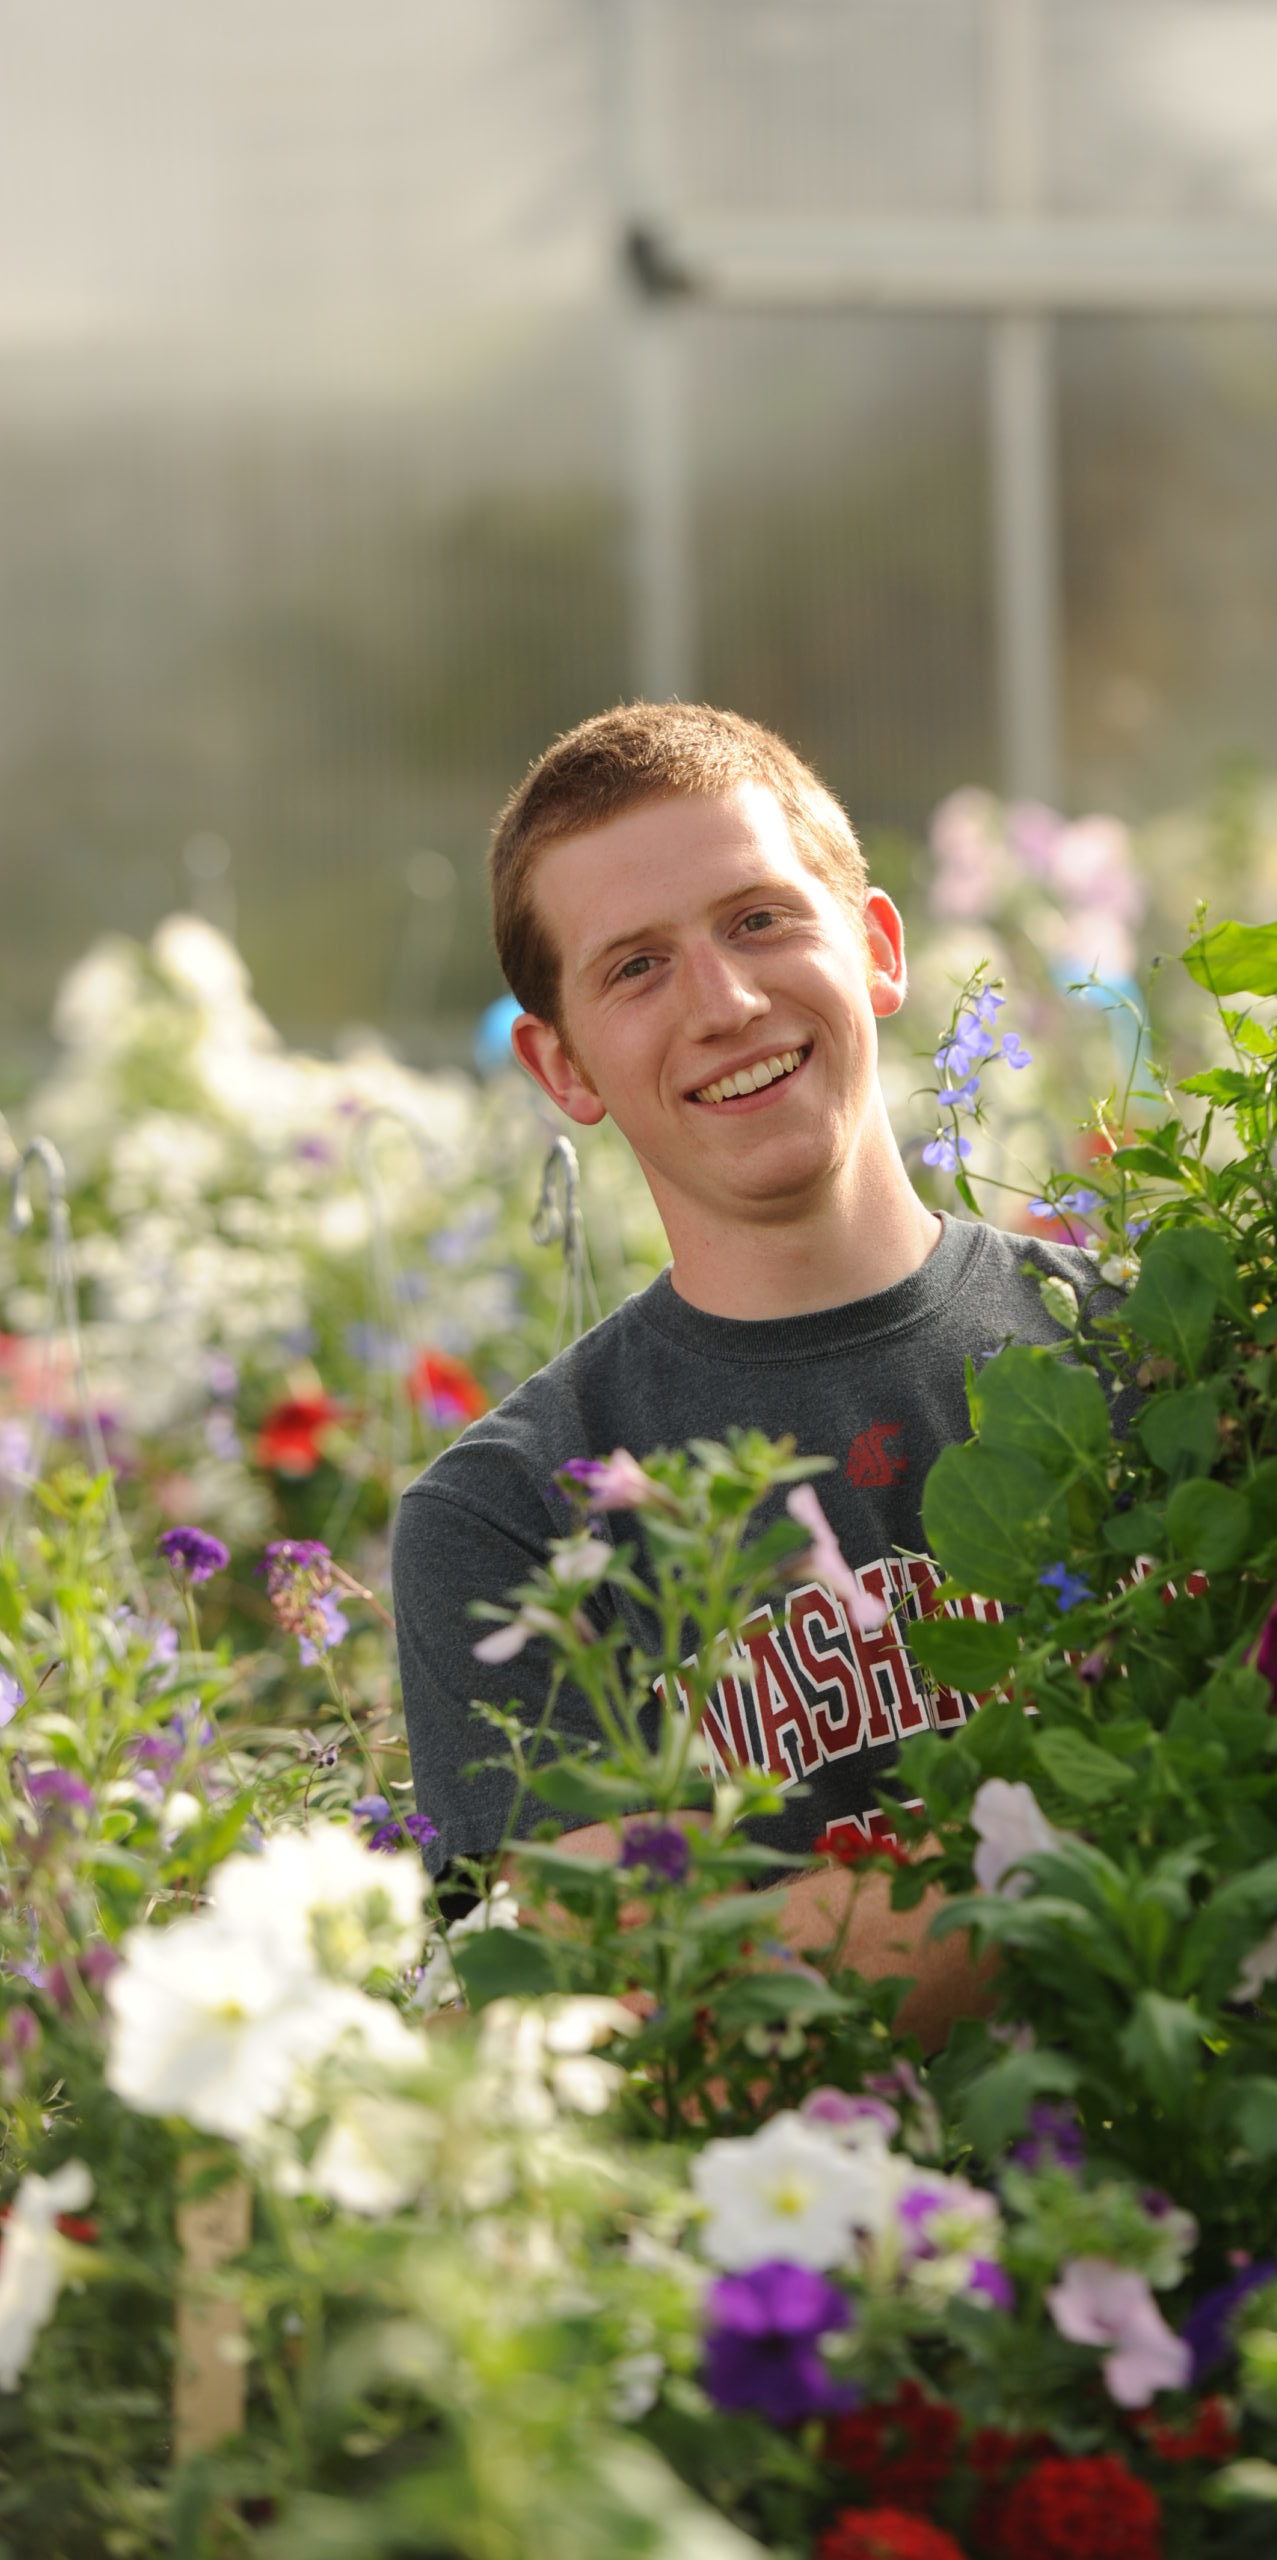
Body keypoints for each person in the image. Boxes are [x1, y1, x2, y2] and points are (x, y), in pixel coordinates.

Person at [392, 702, 1104, 2040]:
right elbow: (627, 2002)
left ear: (879, 949)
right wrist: (1176, 1812)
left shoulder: (1153, 1349)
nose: (724, 1002)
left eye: (761, 920)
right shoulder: (510, 1519)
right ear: (561, 1066)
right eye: (636, 968)